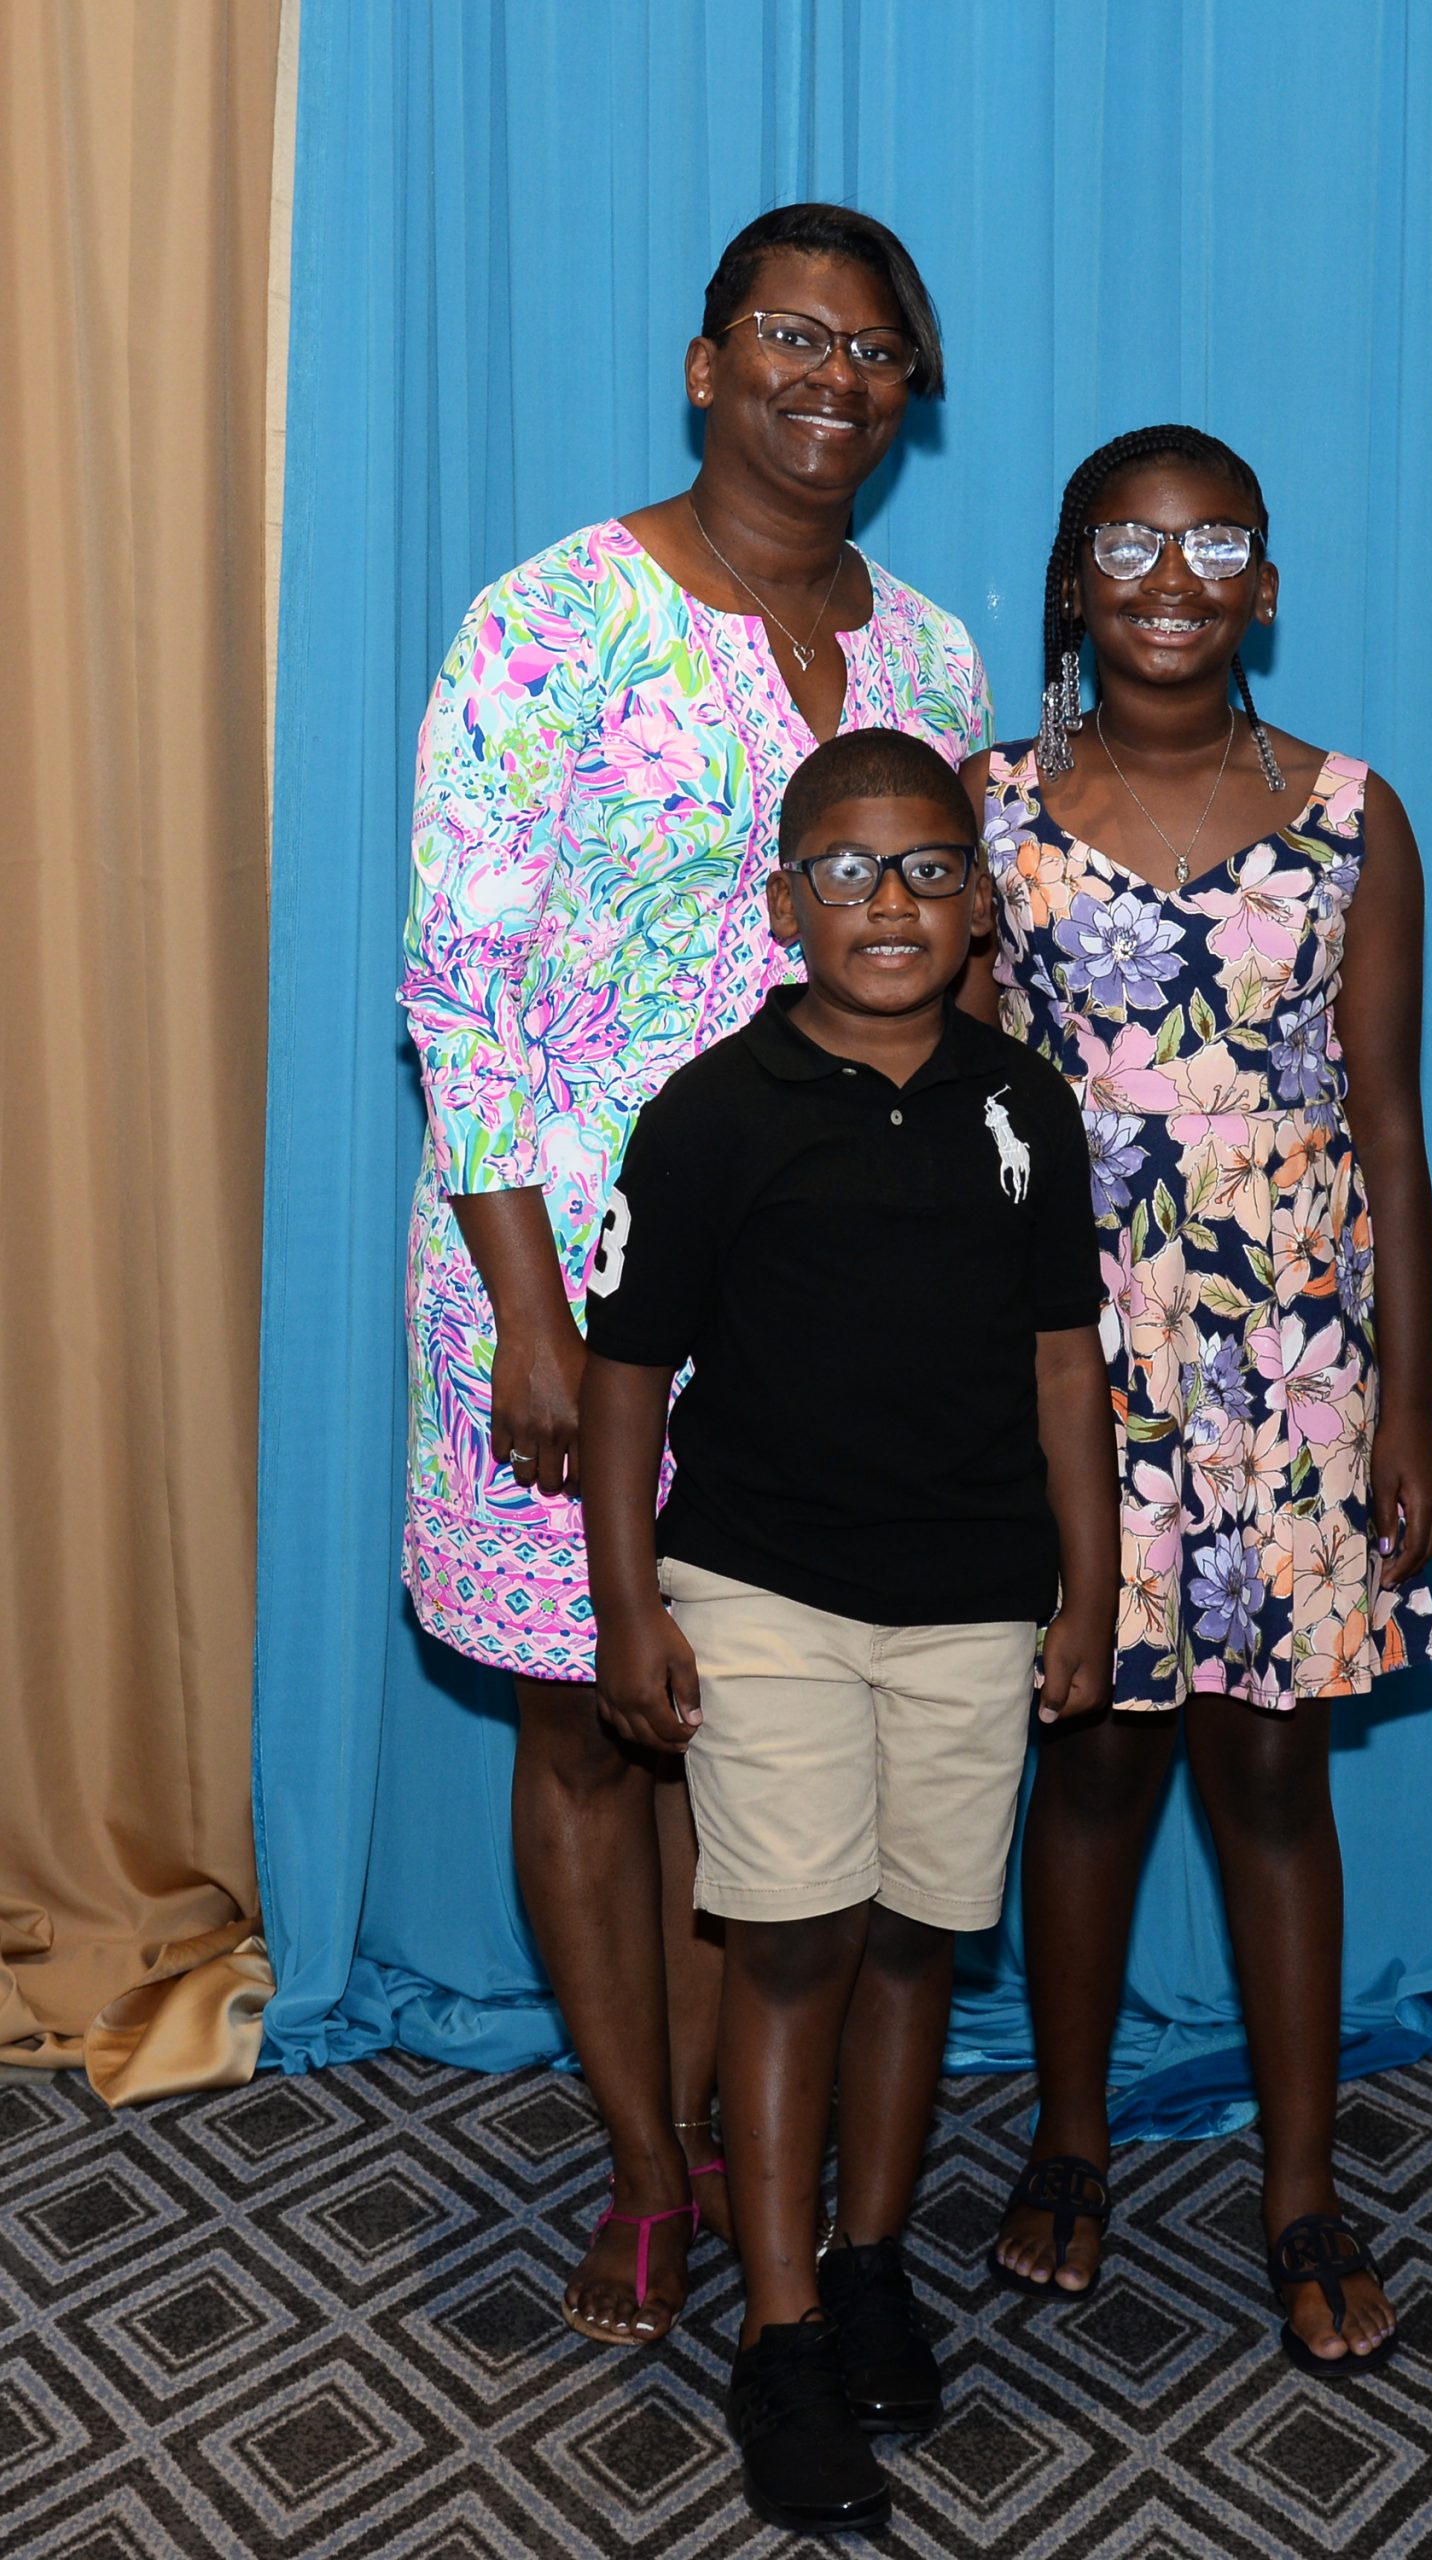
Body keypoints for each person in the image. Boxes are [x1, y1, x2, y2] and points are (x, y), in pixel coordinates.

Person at [398, 204, 990, 2349]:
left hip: (821, 1318)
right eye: (788, 336)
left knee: (761, 1718)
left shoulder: (936, 660)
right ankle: (650, 2170)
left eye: (874, 351)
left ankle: (758, 2140)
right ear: (704, 361)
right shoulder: (549, 620)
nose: (831, 380)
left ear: (909, 394)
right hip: (555, 1278)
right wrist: (532, 1317)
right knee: (586, 1719)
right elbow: (459, 996)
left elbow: (951, 982)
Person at [579, 727, 1117, 2534]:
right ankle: (782, 2329)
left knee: (914, 1938)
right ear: (784, 900)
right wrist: (628, 1604)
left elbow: (1064, 1366)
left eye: (931, 871)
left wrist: (1092, 1586)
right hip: (766, 1589)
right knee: (796, 1939)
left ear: (979, 904)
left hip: (972, 1597)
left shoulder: (1023, 1106)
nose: (891, 904)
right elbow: (630, 1377)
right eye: (849, 872)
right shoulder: (712, 1113)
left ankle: (871, 2262)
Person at [960, 425, 1432, 2377]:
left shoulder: (1352, 815)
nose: (1172, 579)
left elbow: (1389, 1123)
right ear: (1072, 578)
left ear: (1265, 582)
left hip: (1291, 1364)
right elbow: (961, 1123)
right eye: (1129, 544)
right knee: (1088, 1760)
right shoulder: (993, 810)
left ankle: (1302, 2185)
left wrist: (1406, 1409)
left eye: (1214, 542)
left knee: (1268, 1773)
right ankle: (1068, 2142)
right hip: (1063, 1359)